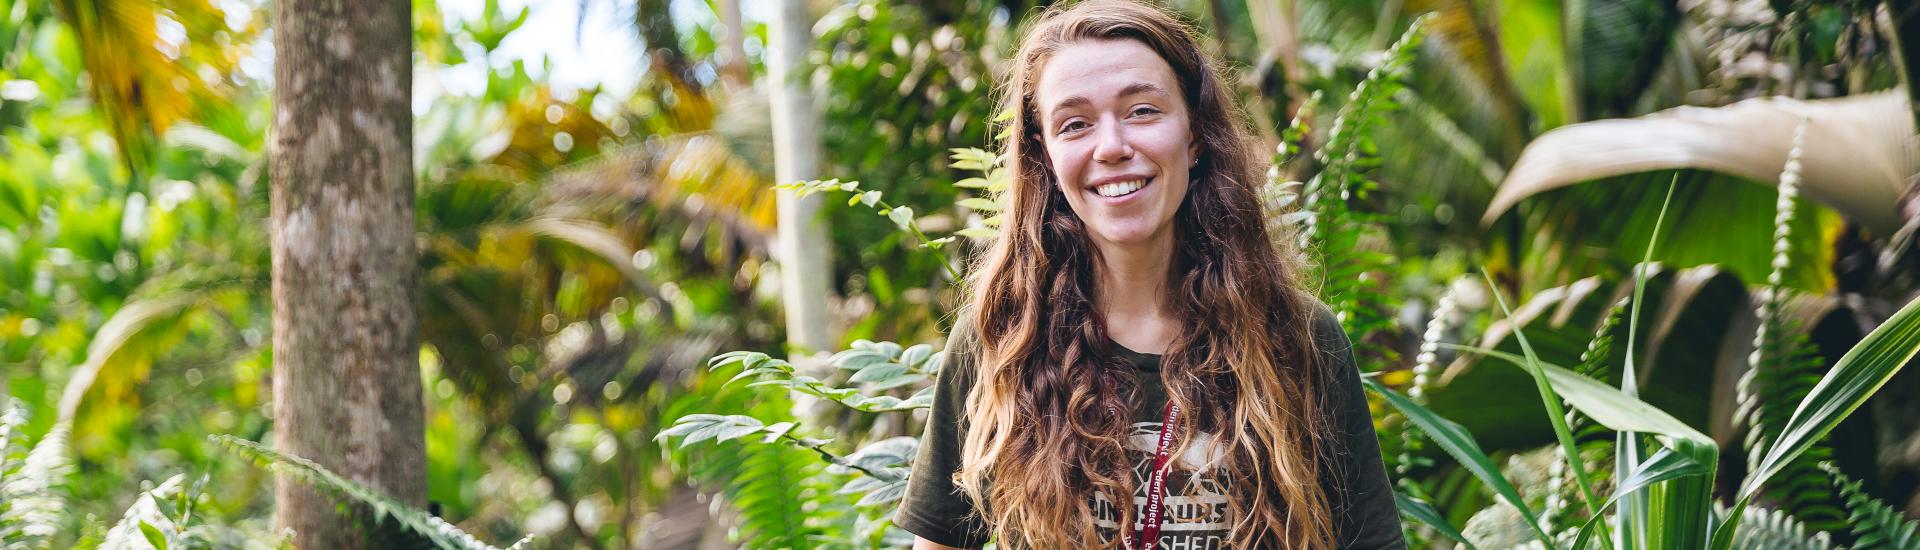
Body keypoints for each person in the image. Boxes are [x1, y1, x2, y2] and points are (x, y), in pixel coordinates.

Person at [891, 1, 1407, 548]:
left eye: (1142, 111)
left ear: (1195, 134)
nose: (1112, 146)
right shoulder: (1002, 339)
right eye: (1075, 124)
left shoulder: (1298, 337)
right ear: (1044, 155)